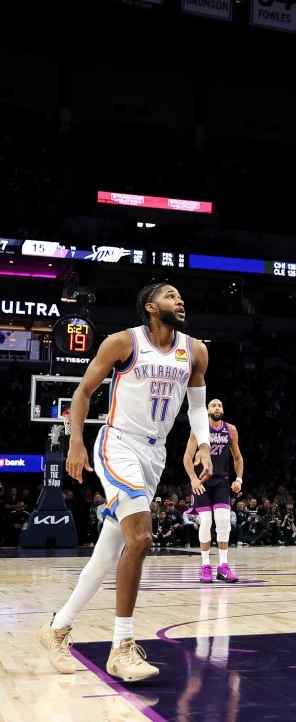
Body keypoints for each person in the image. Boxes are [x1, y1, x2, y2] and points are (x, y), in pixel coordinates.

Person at [38, 282, 211, 681]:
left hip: (155, 454)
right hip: (118, 444)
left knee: (107, 554)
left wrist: (203, 444)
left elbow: (198, 406)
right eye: (171, 296)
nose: (180, 300)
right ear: (150, 306)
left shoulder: (195, 350)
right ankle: (121, 647)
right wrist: (75, 443)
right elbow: (83, 392)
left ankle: (56, 629)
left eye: (181, 296)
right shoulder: (123, 342)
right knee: (141, 538)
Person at [183, 398, 243, 584]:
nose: (217, 407)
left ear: (223, 410)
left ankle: (223, 566)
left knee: (224, 520)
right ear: (207, 410)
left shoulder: (231, 429)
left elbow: (238, 457)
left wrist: (239, 479)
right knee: (206, 521)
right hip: (202, 481)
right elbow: (187, 457)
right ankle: (205, 565)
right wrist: (193, 479)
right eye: (213, 405)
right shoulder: (199, 430)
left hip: (221, 480)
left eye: (220, 405)